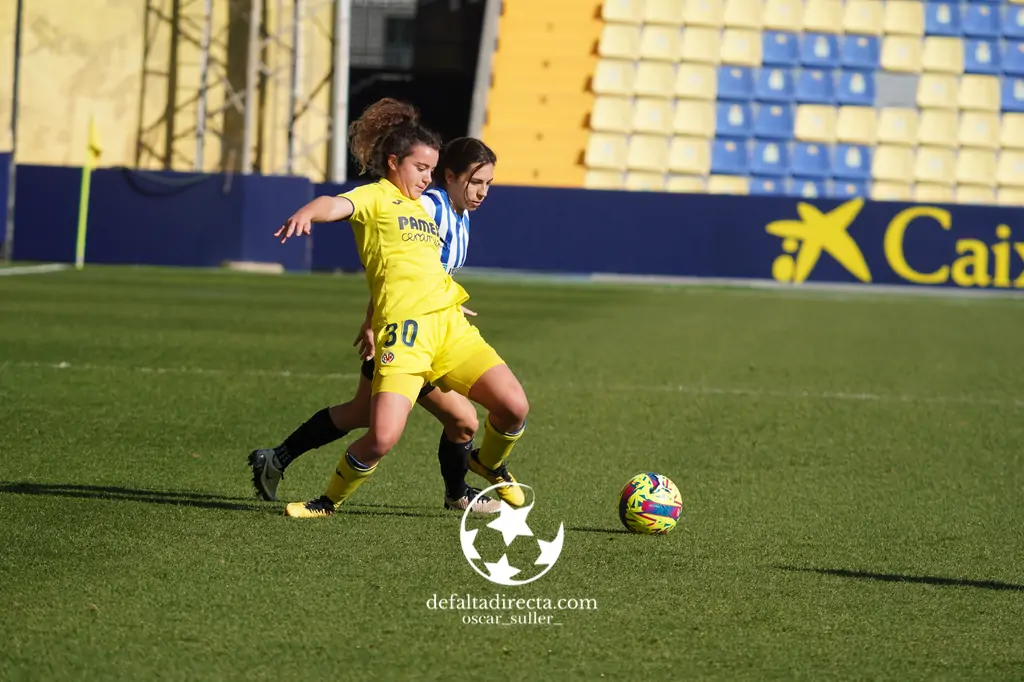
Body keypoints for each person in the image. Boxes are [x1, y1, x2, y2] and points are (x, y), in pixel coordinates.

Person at [271, 98, 529, 519]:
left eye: (431, 170)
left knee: (514, 407)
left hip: (448, 326)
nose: (428, 179)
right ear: (394, 163)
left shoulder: (425, 207)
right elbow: (336, 206)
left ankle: (484, 465)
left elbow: (423, 265)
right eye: (421, 169)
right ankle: (326, 502)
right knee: (381, 437)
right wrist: (307, 213)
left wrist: (446, 297)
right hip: (405, 335)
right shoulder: (376, 198)